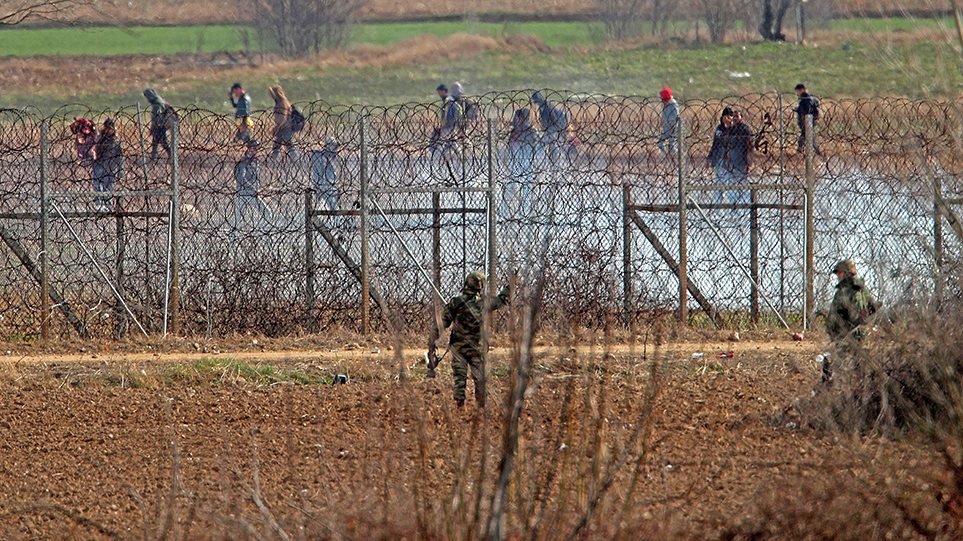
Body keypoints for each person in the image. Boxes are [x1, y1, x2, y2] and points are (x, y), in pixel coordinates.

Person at [437, 272, 511, 407]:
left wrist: (432, 340)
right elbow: (502, 299)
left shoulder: (456, 302)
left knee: (460, 377)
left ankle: (459, 405)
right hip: (477, 348)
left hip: (458, 347)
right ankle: (481, 408)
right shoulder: (484, 302)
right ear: (481, 286)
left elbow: (442, 323)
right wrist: (510, 286)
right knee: (479, 378)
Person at [822, 259, 879, 383]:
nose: (838, 276)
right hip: (862, 335)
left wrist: (833, 331)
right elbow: (873, 307)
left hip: (846, 336)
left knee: (833, 362)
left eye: (839, 273)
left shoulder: (843, 292)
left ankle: (829, 387)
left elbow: (834, 316)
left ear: (846, 273)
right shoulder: (863, 290)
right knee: (859, 365)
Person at [707, 107, 752, 204]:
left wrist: (749, 162)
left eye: (730, 116)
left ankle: (739, 206)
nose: (728, 119)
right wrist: (710, 157)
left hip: (735, 162)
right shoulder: (719, 129)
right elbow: (715, 144)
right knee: (719, 184)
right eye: (726, 116)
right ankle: (718, 206)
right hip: (720, 160)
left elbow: (748, 147)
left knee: (737, 185)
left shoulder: (737, 129)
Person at [504, 108, 539, 222]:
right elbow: (510, 147)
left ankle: (525, 212)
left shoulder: (530, 132)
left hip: (526, 163)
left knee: (526, 189)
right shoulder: (515, 132)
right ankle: (507, 212)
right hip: (517, 163)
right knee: (512, 187)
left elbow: (537, 148)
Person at [234, 131, 272, 228]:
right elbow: (240, 178)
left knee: (267, 213)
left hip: (252, 194)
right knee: (237, 220)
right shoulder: (243, 162)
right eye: (253, 148)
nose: (255, 150)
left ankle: (265, 233)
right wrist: (252, 188)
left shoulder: (255, 161)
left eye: (257, 149)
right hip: (244, 195)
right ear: (248, 149)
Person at [531, 91, 574, 162]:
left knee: (547, 143)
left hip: (554, 127)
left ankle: (554, 161)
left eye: (536, 101)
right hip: (552, 128)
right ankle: (553, 161)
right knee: (552, 144)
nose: (536, 103)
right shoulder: (543, 106)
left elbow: (554, 117)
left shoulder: (547, 106)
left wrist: (553, 128)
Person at [92, 118, 122, 212]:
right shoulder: (101, 138)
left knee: (108, 188)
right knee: (97, 185)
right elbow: (95, 149)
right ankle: (99, 204)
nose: (108, 130)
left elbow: (120, 157)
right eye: (107, 128)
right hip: (99, 164)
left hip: (111, 167)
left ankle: (108, 206)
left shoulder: (115, 141)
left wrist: (120, 172)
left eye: (110, 128)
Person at [143, 88, 175, 160]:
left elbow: (156, 118)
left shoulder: (156, 105)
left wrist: (153, 127)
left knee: (163, 142)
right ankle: (154, 156)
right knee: (156, 141)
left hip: (159, 126)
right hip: (161, 124)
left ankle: (171, 155)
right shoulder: (159, 101)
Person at [310, 136, 340, 212]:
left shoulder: (332, 160)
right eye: (334, 147)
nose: (336, 150)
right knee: (324, 209)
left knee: (331, 210)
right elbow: (317, 174)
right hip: (324, 188)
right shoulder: (319, 157)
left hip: (330, 189)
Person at [267, 84, 296, 160]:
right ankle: (273, 159)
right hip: (282, 127)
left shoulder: (282, 102)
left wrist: (276, 127)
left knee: (288, 143)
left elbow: (283, 117)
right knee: (277, 143)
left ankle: (296, 159)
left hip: (285, 127)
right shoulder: (280, 101)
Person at [794, 83, 822, 155]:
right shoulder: (810, 98)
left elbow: (807, 111)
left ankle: (801, 151)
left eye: (797, 91)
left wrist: (804, 119)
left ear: (802, 90)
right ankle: (818, 153)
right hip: (810, 121)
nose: (797, 93)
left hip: (807, 122)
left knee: (808, 138)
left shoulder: (805, 99)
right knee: (808, 138)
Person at [657, 87, 679, 156]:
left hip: (672, 128)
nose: (662, 100)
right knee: (660, 143)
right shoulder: (666, 105)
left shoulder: (673, 105)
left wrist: (672, 127)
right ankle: (665, 155)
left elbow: (675, 116)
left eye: (663, 98)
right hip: (666, 128)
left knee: (671, 145)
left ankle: (677, 156)